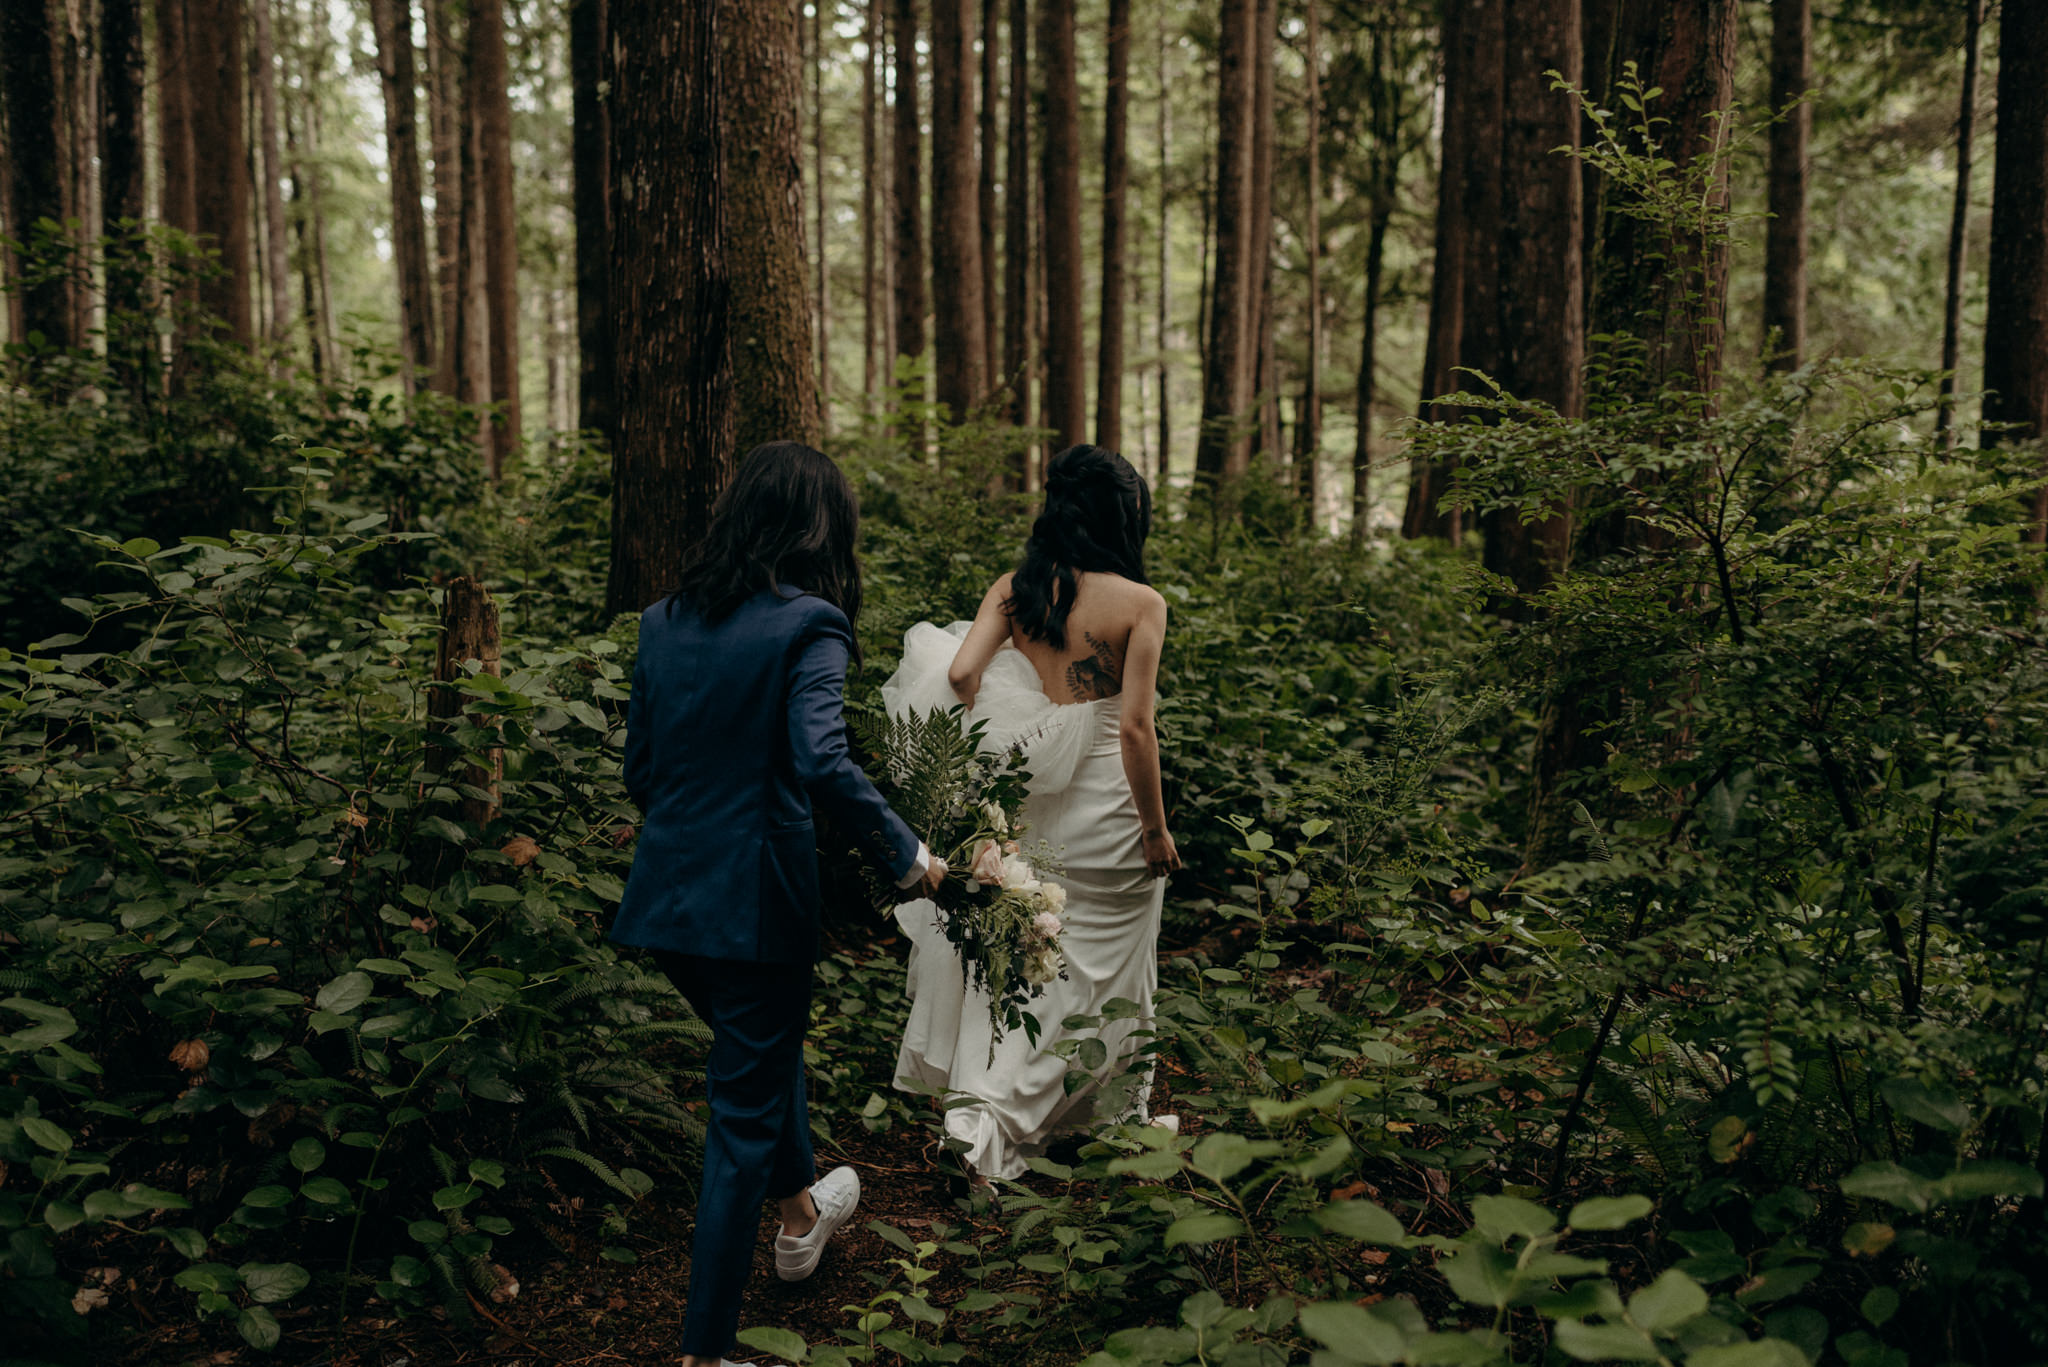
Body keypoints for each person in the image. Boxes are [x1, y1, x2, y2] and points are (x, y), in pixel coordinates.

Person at [611, 442, 948, 1367]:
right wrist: (909, 854)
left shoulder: (664, 619)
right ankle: (706, 1351)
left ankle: (802, 1216)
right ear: (820, 529)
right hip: (755, 906)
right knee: (742, 1116)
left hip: (668, 902)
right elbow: (820, 757)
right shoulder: (812, 623)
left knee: (756, 1061)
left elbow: (642, 770)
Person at [886, 444, 1181, 1185]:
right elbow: (1137, 728)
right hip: (1116, 807)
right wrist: (1156, 829)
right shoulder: (1141, 604)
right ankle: (1114, 1117)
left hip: (1041, 800)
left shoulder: (1018, 589)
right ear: (1123, 517)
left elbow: (958, 674)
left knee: (1030, 964)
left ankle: (978, 1121)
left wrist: (1011, 725)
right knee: (1116, 965)